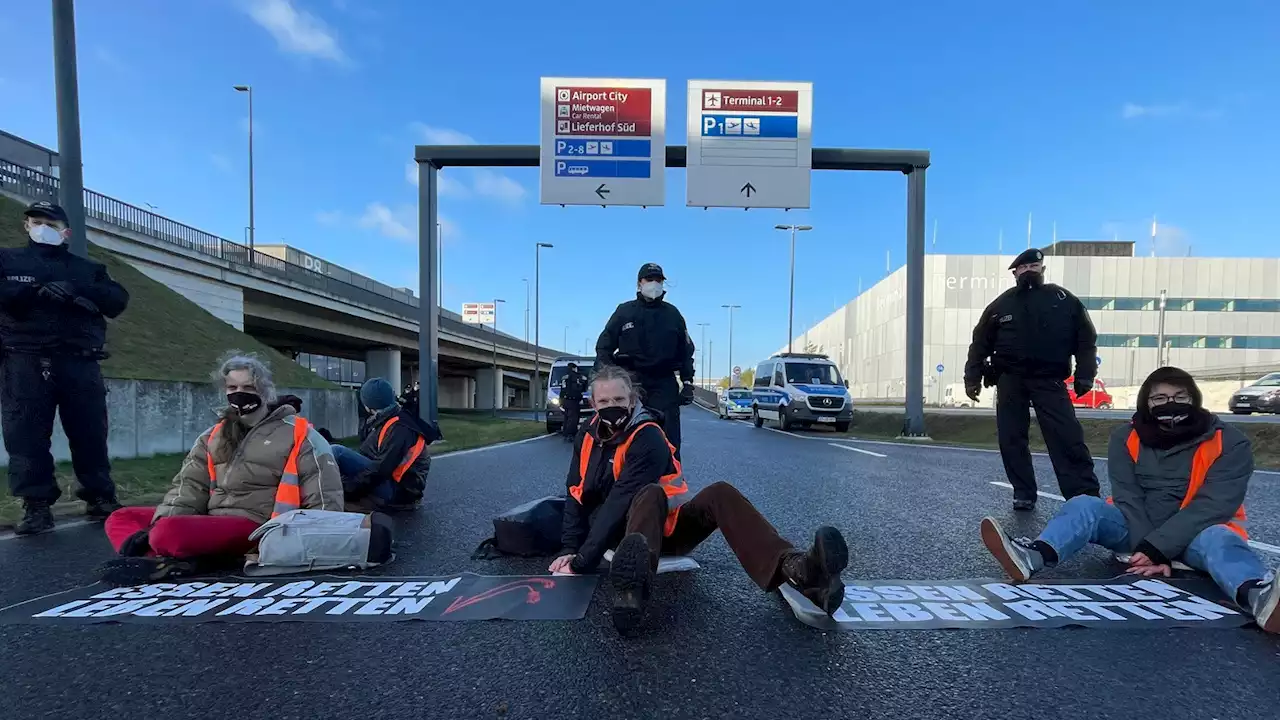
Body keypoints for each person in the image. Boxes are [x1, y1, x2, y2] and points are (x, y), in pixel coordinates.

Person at [549, 364, 850, 634]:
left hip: (663, 528)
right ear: (592, 403)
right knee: (649, 494)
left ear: (632, 400)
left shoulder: (648, 436)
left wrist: (582, 561)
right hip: (621, 538)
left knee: (718, 492)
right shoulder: (586, 435)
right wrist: (571, 548)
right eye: (604, 401)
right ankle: (632, 589)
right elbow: (574, 493)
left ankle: (799, 570)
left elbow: (621, 498)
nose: (612, 406)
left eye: (618, 400)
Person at [979, 366, 1279, 633]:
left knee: (1222, 541)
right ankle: (1033, 556)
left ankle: (1257, 595)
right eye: (1159, 398)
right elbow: (1128, 496)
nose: (1169, 404)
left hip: (1196, 533)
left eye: (1180, 396)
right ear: (1146, 402)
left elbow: (1215, 504)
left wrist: (1158, 549)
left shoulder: (1230, 440)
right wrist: (1150, 550)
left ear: (1194, 399)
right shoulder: (1126, 436)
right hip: (1136, 530)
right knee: (1084, 505)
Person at [100, 353, 343, 583]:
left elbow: (323, 494)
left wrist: (316, 541)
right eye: (232, 388)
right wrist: (156, 525)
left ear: (265, 391)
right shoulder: (212, 436)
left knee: (168, 532)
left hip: (261, 526)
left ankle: (160, 557)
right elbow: (189, 487)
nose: (240, 394)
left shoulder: (299, 434)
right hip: (212, 518)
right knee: (122, 518)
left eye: (248, 388)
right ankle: (165, 560)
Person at [1, 200, 130, 535]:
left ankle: (100, 496)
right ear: (26, 225)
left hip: (79, 361)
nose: (42, 227)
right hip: (24, 360)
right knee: (25, 437)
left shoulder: (86, 268)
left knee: (90, 434)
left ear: (66, 232)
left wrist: (78, 290)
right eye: (36, 221)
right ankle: (36, 506)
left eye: (51, 223)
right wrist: (32, 292)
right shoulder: (7, 260)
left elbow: (117, 300)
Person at [963, 247, 1100, 510]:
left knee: (1066, 435)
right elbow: (979, 343)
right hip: (1009, 379)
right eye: (1023, 268)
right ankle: (1023, 492)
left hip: (1049, 379)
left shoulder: (1063, 300)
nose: (1028, 271)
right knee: (1011, 438)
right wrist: (973, 377)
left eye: (1033, 267)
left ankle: (1083, 496)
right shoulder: (1000, 305)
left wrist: (1086, 374)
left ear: (1042, 270)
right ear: (1015, 273)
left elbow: (1085, 340)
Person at [594, 263, 696, 460]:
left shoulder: (672, 315)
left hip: (664, 384)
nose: (654, 284)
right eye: (650, 279)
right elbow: (603, 346)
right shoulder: (624, 312)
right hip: (631, 383)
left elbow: (686, 351)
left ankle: (668, 487)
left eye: (658, 280)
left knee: (668, 442)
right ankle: (623, 482)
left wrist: (688, 382)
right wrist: (608, 379)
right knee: (626, 437)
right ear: (639, 283)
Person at [333, 378, 435, 511]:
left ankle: (326, 494)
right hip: (394, 485)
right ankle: (328, 491)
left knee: (336, 452)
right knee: (335, 453)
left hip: (400, 492)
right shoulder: (388, 419)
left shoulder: (399, 427)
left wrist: (348, 489)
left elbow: (381, 469)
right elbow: (367, 454)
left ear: (368, 404)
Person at [559, 362, 586, 441]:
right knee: (573, 418)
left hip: (565, 400)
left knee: (566, 417)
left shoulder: (564, 377)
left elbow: (562, 389)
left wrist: (561, 400)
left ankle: (565, 433)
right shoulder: (576, 376)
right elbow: (579, 388)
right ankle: (571, 434)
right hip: (573, 400)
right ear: (574, 368)